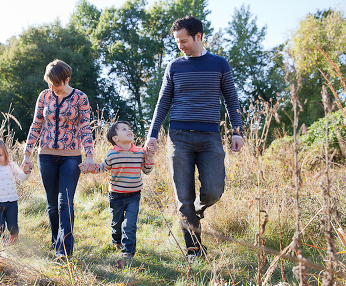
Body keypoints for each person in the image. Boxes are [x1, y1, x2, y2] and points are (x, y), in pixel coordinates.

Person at [144, 16, 243, 262]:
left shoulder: (220, 64)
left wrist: (237, 130)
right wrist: (152, 134)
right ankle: (194, 250)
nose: (180, 45)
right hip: (179, 138)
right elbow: (163, 102)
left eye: (184, 40)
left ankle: (195, 212)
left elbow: (232, 99)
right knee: (183, 197)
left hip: (210, 138)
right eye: (177, 41)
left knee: (213, 191)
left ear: (198, 36)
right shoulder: (175, 66)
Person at [22, 59, 95, 260]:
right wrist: (27, 154)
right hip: (45, 155)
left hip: (71, 157)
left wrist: (89, 155)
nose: (53, 88)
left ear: (67, 79)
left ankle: (64, 251)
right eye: (50, 83)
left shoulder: (80, 98)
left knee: (65, 202)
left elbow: (85, 128)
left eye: (57, 83)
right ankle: (57, 242)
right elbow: (36, 125)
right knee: (52, 204)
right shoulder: (44, 96)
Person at [80, 121, 154, 269]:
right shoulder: (112, 153)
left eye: (129, 128)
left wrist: (150, 156)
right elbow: (102, 167)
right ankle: (117, 241)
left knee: (129, 224)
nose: (129, 130)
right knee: (117, 223)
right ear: (115, 138)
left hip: (134, 195)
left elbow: (147, 170)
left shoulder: (139, 151)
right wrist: (90, 168)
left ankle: (128, 252)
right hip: (116, 195)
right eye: (124, 129)